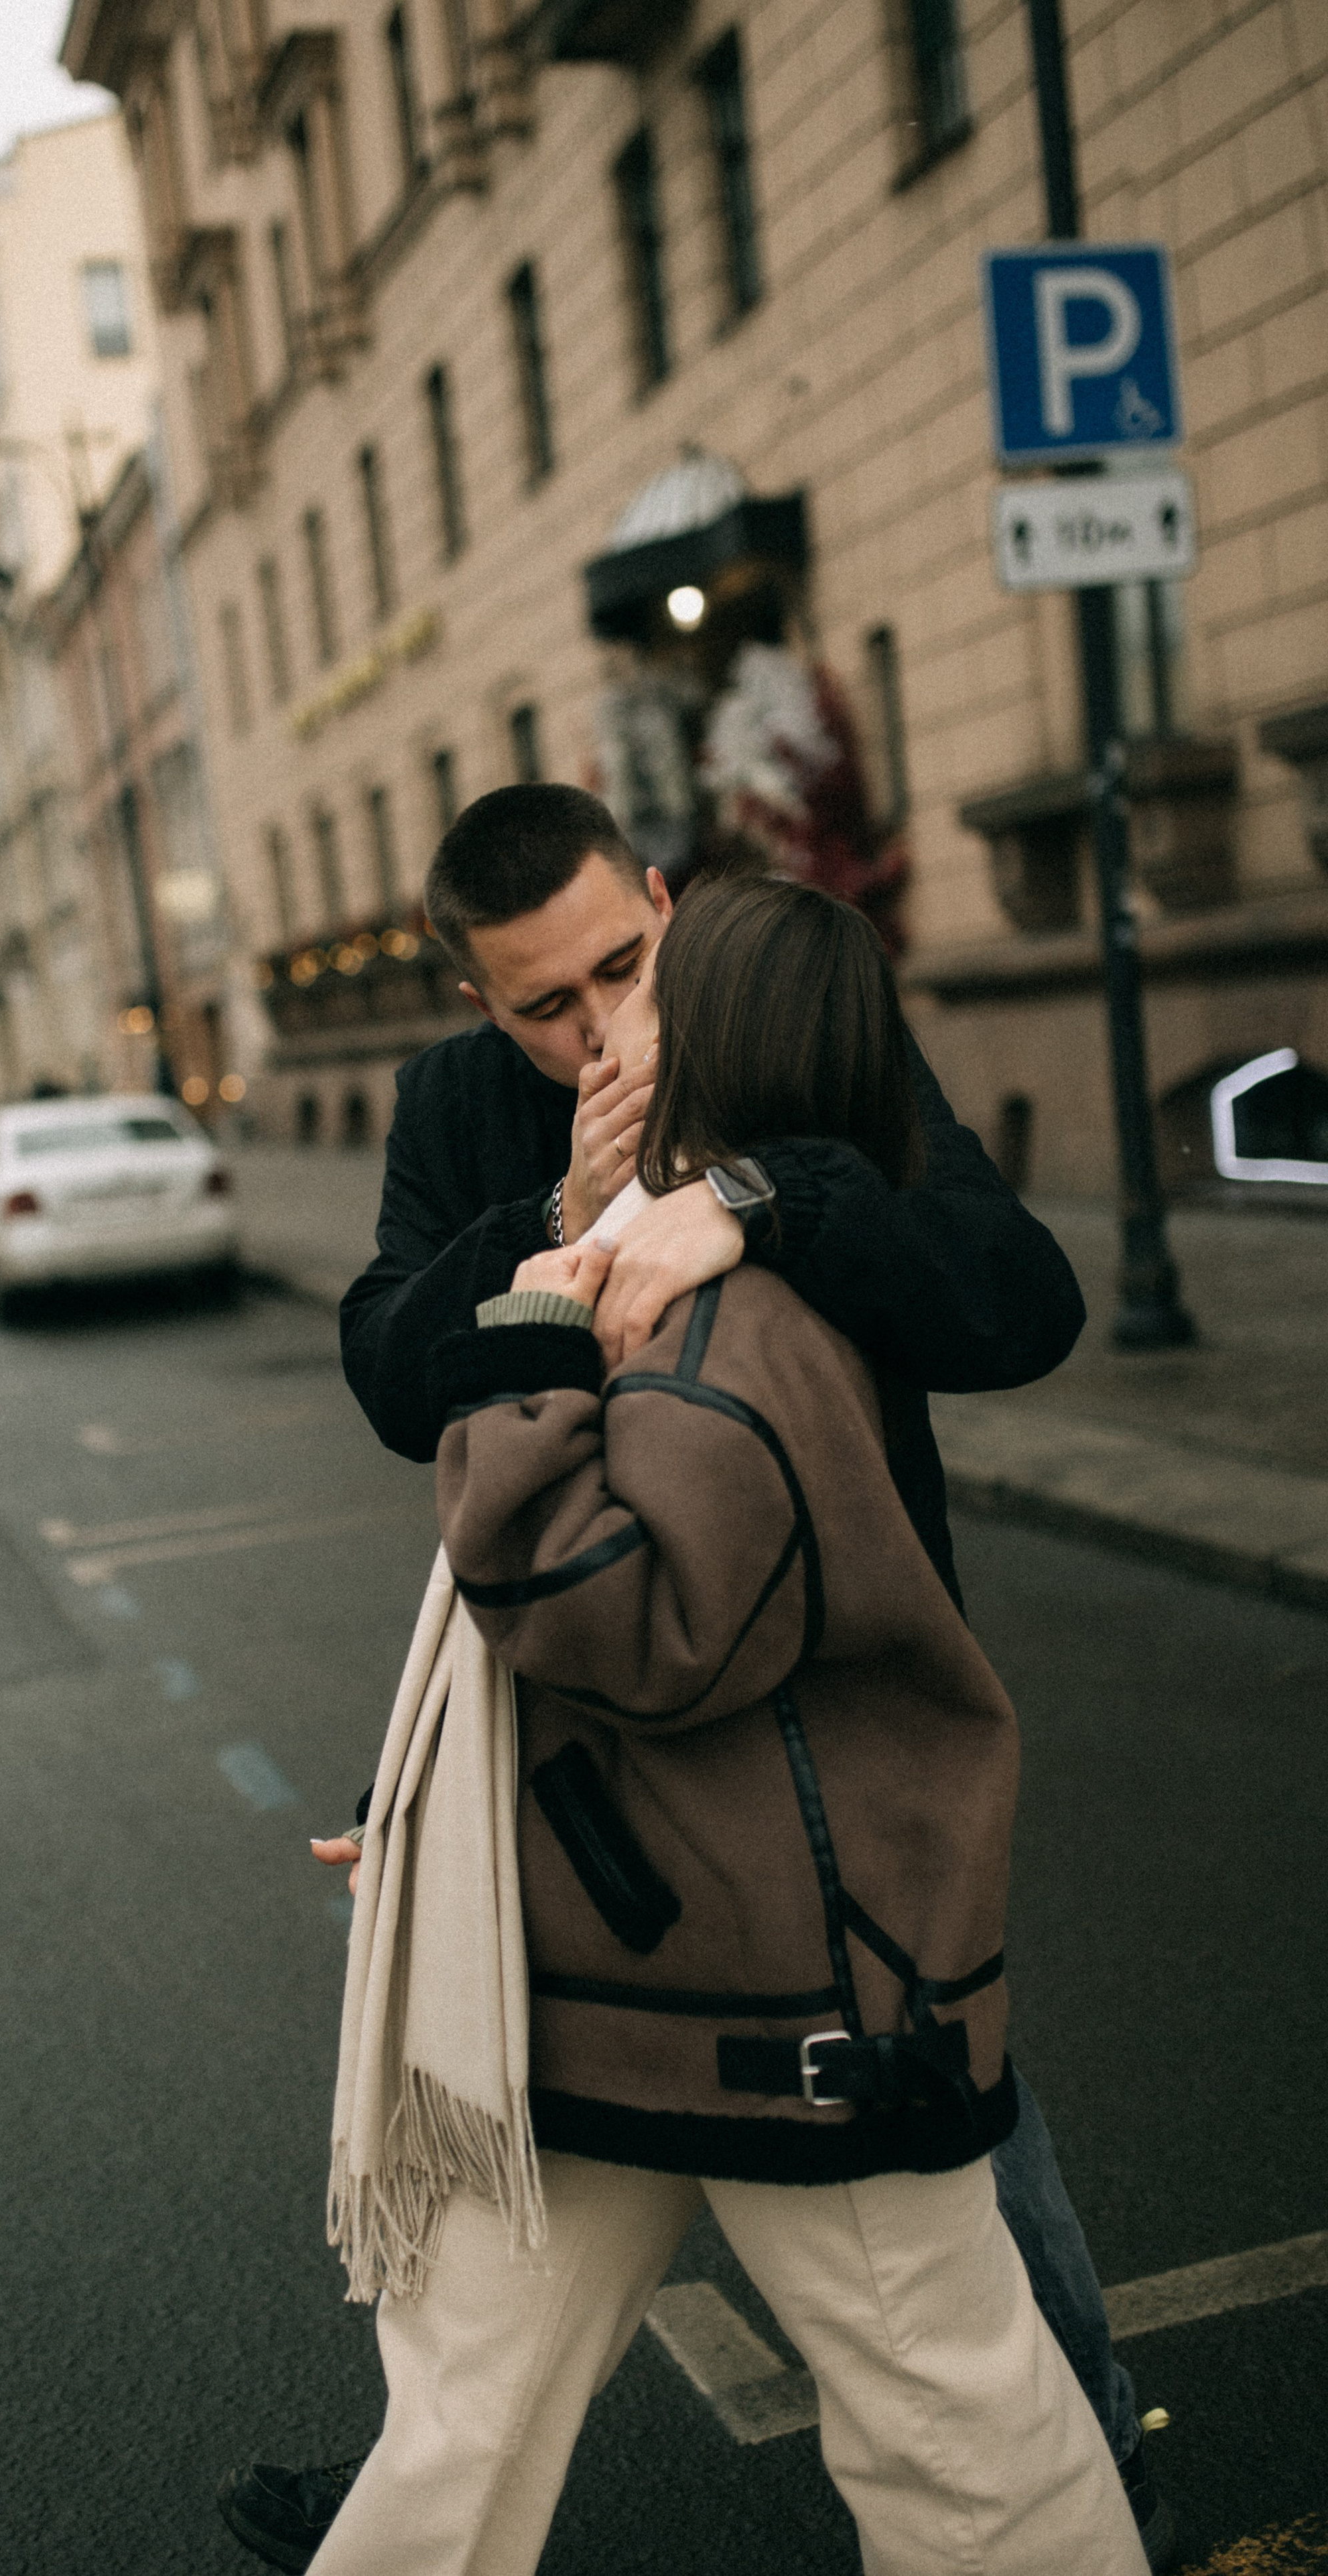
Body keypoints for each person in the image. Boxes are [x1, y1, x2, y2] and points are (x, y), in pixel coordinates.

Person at [216, 787, 1173, 2573]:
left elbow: (1007, 1293)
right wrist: (563, 1224)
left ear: (665, 908)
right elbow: (406, 1389)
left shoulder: (783, 1036)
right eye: (544, 1006)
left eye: (621, 969)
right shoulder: (459, 1104)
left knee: (946, 2201)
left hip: (826, 1759)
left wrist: (751, 1190)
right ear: (482, 1005)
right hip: (609, 1792)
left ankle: (1101, 2433)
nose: (596, 1029)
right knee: (838, 2294)